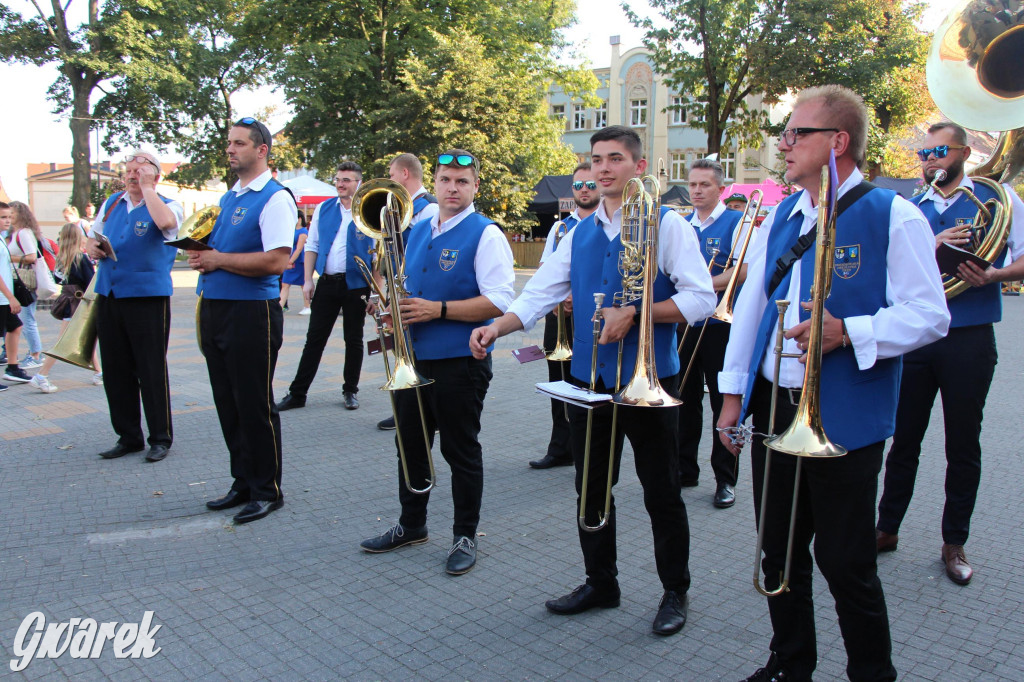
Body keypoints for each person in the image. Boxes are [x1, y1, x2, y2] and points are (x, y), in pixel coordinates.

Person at [716, 85, 949, 682]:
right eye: (785, 133)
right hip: (775, 409)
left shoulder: (893, 214)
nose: (784, 144)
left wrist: (850, 332)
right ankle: (791, 663)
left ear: (837, 142)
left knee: (846, 563)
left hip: (845, 415)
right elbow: (751, 308)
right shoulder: (786, 215)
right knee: (779, 552)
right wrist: (733, 395)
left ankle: (872, 674)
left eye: (797, 133)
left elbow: (930, 315)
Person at [471, 126, 716, 635]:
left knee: (661, 493)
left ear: (639, 167)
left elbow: (702, 300)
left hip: (649, 383)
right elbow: (539, 292)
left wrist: (638, 313)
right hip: (589, 383)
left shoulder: (666, 225)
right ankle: (600, 582)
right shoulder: (576, 231)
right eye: (597, 159)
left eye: (616, 159)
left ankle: (675, 590)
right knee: (590, 489)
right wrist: (497, 326)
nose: (604, 168)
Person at [875, 121, 1024, 586]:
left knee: (963, 443)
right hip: (918, 337)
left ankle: (954, 541)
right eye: (923, 154)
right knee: (904, 441)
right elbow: (887, 272)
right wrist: (932, 244)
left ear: (962, 152)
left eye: (938, 151)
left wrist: (995, 277)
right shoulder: (909, 206)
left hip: (970, 336)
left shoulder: (998, 199)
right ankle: (886, 528)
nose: (930, 160)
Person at [359, 149, 514, 576]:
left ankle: (465, 534)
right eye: (445, 179)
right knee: (409, 447)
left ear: (475, 187)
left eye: (462, 182)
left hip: (460, 361)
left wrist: (437, 310)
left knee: (460, 450)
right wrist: (388, 308)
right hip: (414, 358)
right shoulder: (422, 225)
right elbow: (409, 286)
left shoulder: (486, 234)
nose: (451, 188)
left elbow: (501, 299)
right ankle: (412, 524)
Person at [190, 117, 295, 524]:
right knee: (228, 402)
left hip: (252, 313)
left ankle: (267, 490)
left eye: (238, 144)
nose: (230, 150)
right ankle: (243, 481)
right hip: (216, 307)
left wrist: (218, 260)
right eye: (229, 143)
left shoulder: (275, 197)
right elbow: (223, 251)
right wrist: (203, 258)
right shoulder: (230, 198)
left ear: (261, 150)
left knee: (254, 404)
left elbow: (277, 261)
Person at [87, 151, 181, 461]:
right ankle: (128, 436)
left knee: (150, 368)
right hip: (110, 292)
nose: (131, 176)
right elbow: (93, 234)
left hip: (147, 296)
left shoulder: (167, 203)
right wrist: (93, 247)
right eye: (128, 171)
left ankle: (160, 438)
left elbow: (167, 224)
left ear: (155, 176)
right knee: (115, 369)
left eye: (139, 172)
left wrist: (149, 190)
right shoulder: (113, 202)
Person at [676, 159, 754, 508]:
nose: (696, 190)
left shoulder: (738, 222)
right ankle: (684, 469)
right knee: (684, 400)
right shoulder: (681, 225)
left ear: (720, 189)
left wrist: (701, 285)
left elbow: (744, 269)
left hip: (722, 327)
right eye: (692, 184)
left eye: (704, 185)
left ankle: (725, 479)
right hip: (686, 323)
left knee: (723, 403)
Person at [276, 162, 371, 412]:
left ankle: (350, 390)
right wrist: (307, 280)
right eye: (338, 179)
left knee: (354, 339)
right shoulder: (324, 208)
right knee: (314, 339)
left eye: (347, 180)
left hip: (356, 285)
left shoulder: (369, 211)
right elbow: (312, 245)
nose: (340, 184)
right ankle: (298, 393)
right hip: (327, 283)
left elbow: (378, 254)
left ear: (359, 183)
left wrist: (377, 290)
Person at [528, 162, 599, 469]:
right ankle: (560, 448)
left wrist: (576, 294)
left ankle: (588, 447)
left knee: (587, 385)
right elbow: (546, 270)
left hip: (591, 317)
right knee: (558, 383)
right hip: (559, 317)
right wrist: (561, 296)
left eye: (591, 185)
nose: (584, 189)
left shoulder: (603, 224)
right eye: (579, 185)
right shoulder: (560, 228)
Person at [375, 153, 441, 431]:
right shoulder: (401, 207)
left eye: (391, 174)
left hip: (416, 290)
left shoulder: (427, 208)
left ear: (404, 174)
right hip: (400, 286)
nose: (390, 180)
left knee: (413, 350)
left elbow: (420, 254)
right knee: (400, 347)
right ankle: (405, 404)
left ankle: (419, 407)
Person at [30, 223, 101, 393]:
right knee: (63, 343)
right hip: (80, 303)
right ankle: (41, 375)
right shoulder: (81, 258)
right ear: (78, 238)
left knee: (85, 338)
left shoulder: (62, 259)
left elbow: (57, 279)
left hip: (69, 302)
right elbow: (92, 282)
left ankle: (99, 372)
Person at [6, 201, 46, 374]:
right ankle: (32, 352)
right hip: (19, 279)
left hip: (25, 279)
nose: (9, 218)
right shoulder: (16, 233)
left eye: (12, 214)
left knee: (26, 318)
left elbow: (31, 257)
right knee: (23, 318)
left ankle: (35, 354)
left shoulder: (23, 233)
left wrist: (9, 258)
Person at [0, 210, 27, 391]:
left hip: (5, 297)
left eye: (9, 217)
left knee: (15, 326)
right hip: (2, 298)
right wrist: (10, 297)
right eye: (3, 217)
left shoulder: (2, 238)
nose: (7, 220)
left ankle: (13, 367)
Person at [279, 213, 309, 314]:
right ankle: (280, 305)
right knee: (285, 283)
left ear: (299, 219)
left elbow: (299, 248)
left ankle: (307, 306)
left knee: (303, 284)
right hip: (291, 260)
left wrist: (291, 260)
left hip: (299, 261)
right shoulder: (293, 231)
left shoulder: (303, 231)